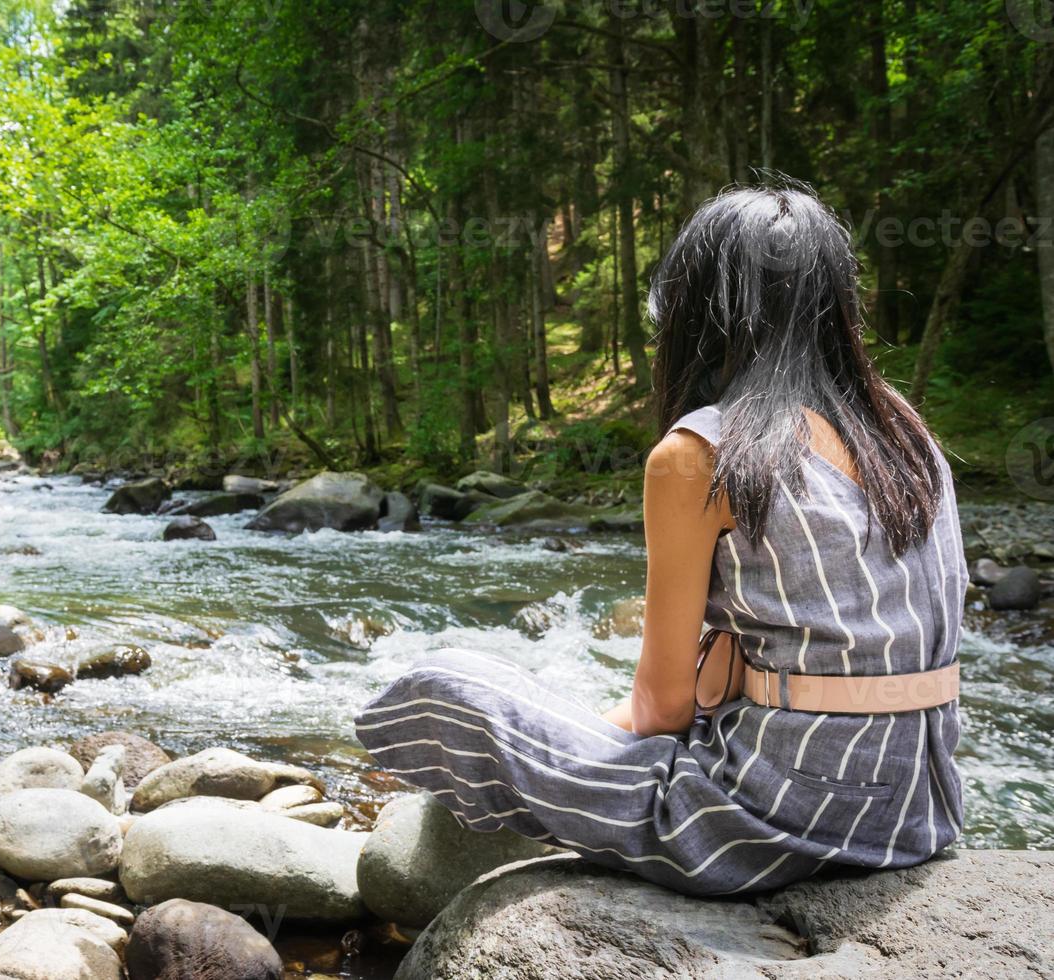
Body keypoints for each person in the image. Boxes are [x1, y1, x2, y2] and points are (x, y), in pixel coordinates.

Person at [354, 182, 966, 895]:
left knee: (448, 684)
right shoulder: (908, 437)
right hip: (920, 816)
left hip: (766, 825)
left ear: (698, 310)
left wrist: (575, 733)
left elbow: (663, 709)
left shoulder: (702, 453)